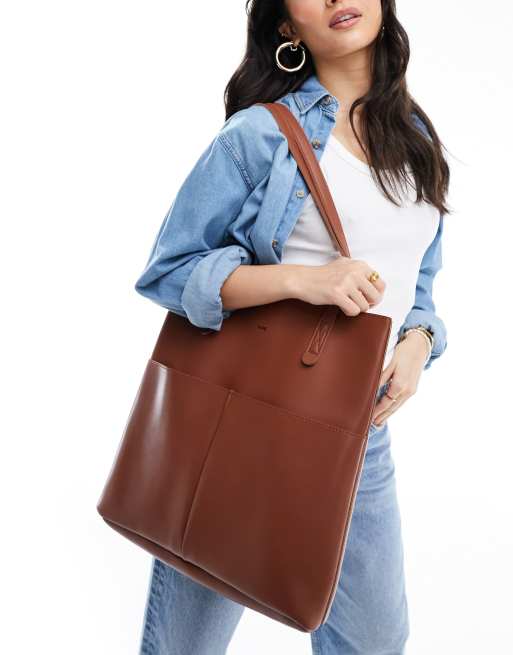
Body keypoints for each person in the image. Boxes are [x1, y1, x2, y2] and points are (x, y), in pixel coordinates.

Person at [134, 1, 450, 653]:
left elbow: (417, 277)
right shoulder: (259, 134)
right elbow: (169, 269)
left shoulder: (415, 136)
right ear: (285, 26)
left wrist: (419, 340)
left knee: (374, 641)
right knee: (186, 646)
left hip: (358, 434)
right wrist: (303, 281)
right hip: (246, 424)